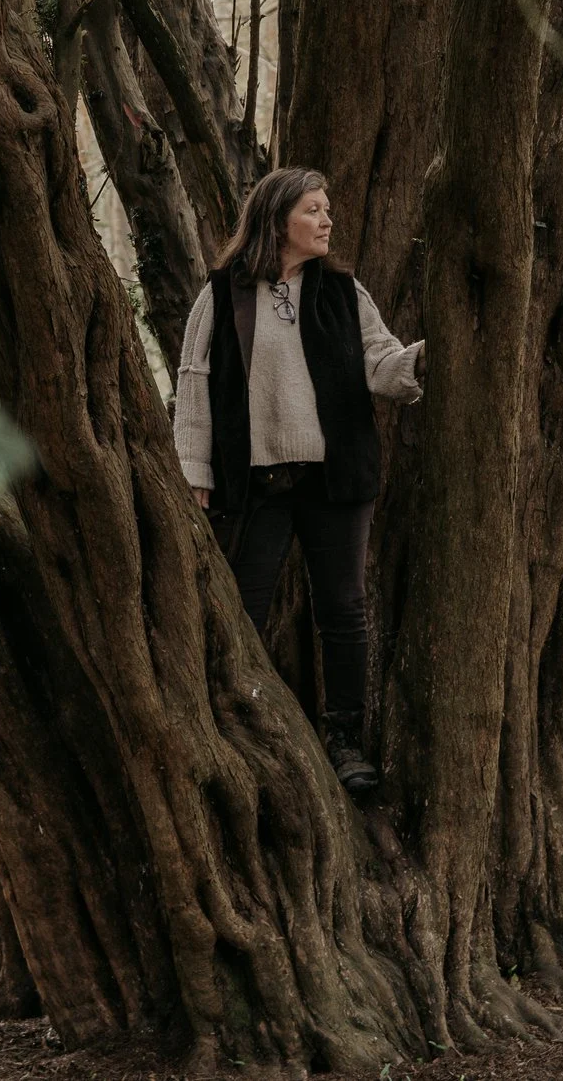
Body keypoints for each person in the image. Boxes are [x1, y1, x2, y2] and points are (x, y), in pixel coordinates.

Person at [173, 167, 424, 796]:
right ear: (278, 217)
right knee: (240, 613)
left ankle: (345, 742)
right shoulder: (224, 291)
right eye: (314, 210)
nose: (327, 220)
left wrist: (425, 357)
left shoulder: (341, 291)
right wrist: (195, 471)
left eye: (327, 209)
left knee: (343, 612)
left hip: (333, 478)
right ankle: (247, 736)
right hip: (252, 482)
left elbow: (380, 363)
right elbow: (195, 378)